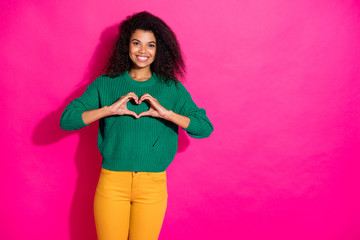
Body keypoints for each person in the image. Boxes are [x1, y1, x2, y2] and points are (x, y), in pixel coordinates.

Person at [60, 11, 214, 240]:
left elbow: (204, 127)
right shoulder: (106, 83)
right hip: (112, 183)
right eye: (136, 43)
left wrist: (167, 114)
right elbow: (67, 120)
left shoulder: (170, 88)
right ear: (126, 46)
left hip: (152, 186)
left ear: (158, 49)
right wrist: (109, 109)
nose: (143, 51)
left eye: (150, 45)